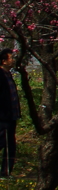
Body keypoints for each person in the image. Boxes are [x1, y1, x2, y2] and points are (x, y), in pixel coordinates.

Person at [0, 48, 20, 177]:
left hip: (11, 116)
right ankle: (5, 172)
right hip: (3, 117)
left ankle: (6, 172)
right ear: (3, 61)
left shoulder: (8, 74)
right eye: (10, 58)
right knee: (4, 142)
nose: (13, 60)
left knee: (10, 145)